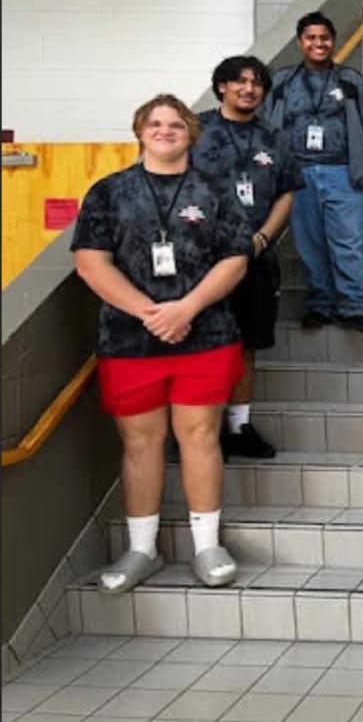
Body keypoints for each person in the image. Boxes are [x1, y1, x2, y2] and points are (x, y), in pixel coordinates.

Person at [72, 95, 254, 593]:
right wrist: (151, 313)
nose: (165, 131)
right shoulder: (109, 192)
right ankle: (142, 549)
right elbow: (90, 263)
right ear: (139, 131)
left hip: (205, 336)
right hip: (130, 341)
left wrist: (185, 309)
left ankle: (207, 546)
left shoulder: (215, 190)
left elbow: (235, 259)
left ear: (191, 132)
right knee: (140, 443)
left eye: (176, 124)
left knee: (201, 437)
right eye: (155, 123)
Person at [192, 56, 302, 460]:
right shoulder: (195, 130)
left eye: (256, 83)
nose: (248, 89)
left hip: (255, 258)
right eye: (239, 81)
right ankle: (201, 429)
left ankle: (239, 427)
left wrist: (263, 237)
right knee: (203, 345)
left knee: (246, 344)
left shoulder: (275, 136)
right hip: (201, 261)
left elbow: (287, 192)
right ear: (222, 86)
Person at [264, 11, 363, 333]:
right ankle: (320, 304)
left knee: (349, 243)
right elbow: (267, 124)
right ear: (300, 42)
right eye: (311, 38)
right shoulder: (282, 81)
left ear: (333, 41)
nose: (318, 43)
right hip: (298, 173)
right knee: (309, 244)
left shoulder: (351, 80)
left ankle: (353, 307)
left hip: (343, 170)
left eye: (324, 38)